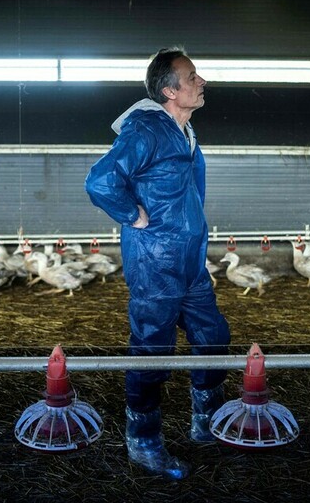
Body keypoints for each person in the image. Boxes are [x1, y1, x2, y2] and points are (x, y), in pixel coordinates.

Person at [84, 47, 231, 480]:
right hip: (155, 262)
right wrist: (134, 216)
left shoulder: (185, 132)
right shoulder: (146, 129)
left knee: (213, 336)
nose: (201, 81)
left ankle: (206, 422)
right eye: (191, 77)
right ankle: (143, 441)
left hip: (189, 261)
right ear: (170, 90)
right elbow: (101, 181)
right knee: (152, 350)